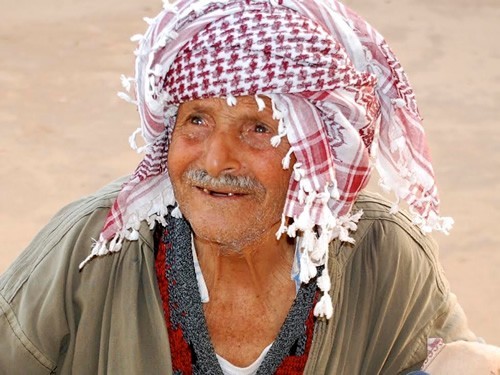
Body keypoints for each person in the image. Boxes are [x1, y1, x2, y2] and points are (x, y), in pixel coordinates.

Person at [0, 0, 498, 373]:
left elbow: (454, 361)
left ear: (314, 147)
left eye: (257, 128)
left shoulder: (381, 250)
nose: (215, 160)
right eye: (196, 120)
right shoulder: (90, 247)